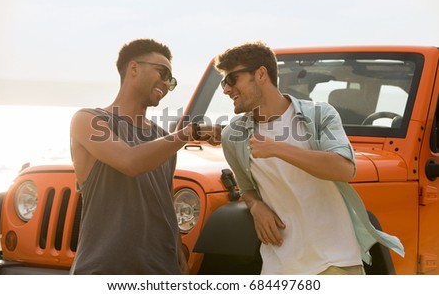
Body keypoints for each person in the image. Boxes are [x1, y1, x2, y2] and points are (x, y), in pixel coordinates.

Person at [216, 41, 404, 275]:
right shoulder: (233, 135)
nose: (226, 89)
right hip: (278, 267)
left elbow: (344, 168)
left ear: (261, 74)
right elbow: (247, 189)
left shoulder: (320, 115)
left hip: (334, 262)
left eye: (231, 80)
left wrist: (278, 149)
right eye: (223, 82)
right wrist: (256, 207)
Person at [69, 38, 221, 274]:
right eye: (162, 72)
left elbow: (163, 200)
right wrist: (188, 133)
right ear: (133, 68)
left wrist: (178, 254)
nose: (166, 83)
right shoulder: (89, 120)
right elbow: (130, 162)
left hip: (161, 270)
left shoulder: (162, 137)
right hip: (105, 269)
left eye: (170, 80)